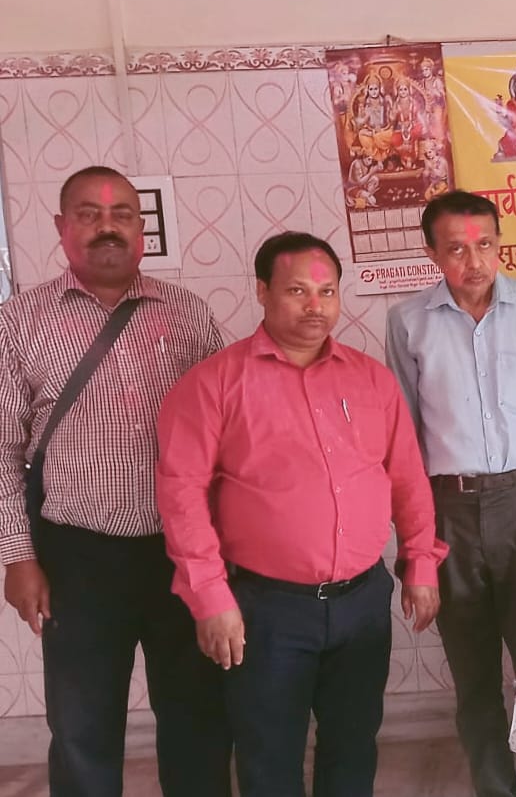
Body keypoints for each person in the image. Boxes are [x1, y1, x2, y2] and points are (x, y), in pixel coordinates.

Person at [156, 231, 448, 797]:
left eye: (327, 291)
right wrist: (210, 597)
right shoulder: (214, 383)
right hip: (265, 610)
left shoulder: (370, 378)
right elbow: (182, 495)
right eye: (297, 291)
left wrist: (421, 562)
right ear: (263, 292)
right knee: (269, 755)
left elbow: (407, 477)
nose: (316, 305)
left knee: (353, 746)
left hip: (362, 602)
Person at [0, 165, 232, 797]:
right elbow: (3, 451)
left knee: (197, 712)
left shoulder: (187, 314)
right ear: (61, 227)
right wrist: (18, 557)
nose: (108, 227)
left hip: (181, 552)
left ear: (141, 229)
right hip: (76, 559)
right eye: (89, 214)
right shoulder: (20, 321)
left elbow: (226, 435)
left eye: (122, 214)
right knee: (82, 724)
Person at [386, 191, 516, 797]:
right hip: (448, 510)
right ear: (432, 253)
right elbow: (404, 438)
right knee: (473, 673)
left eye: (485, 245)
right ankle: (495, 788)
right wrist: (416, 542)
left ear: (500, 244)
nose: (473, 261)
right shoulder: (407, 322)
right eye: (456, 249)